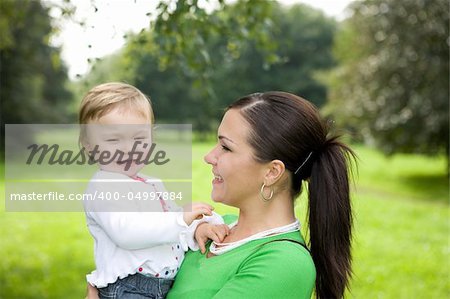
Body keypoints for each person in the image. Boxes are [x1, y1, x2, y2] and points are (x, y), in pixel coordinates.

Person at [87, 91, 355, 299]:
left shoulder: (284, 263)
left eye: (225, 148)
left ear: (272, 172)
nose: (209, 156)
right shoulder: (214, 227)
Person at [80, 82, 227, 299]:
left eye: (139, 138)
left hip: (159, 286)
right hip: (129, 288)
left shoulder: (152, 184)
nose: (128, 148)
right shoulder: (103, 186)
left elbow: (170, 226)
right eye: (113, 139)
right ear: (88, 145)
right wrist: (180, 220)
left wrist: (195, 229)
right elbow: (127, 232)